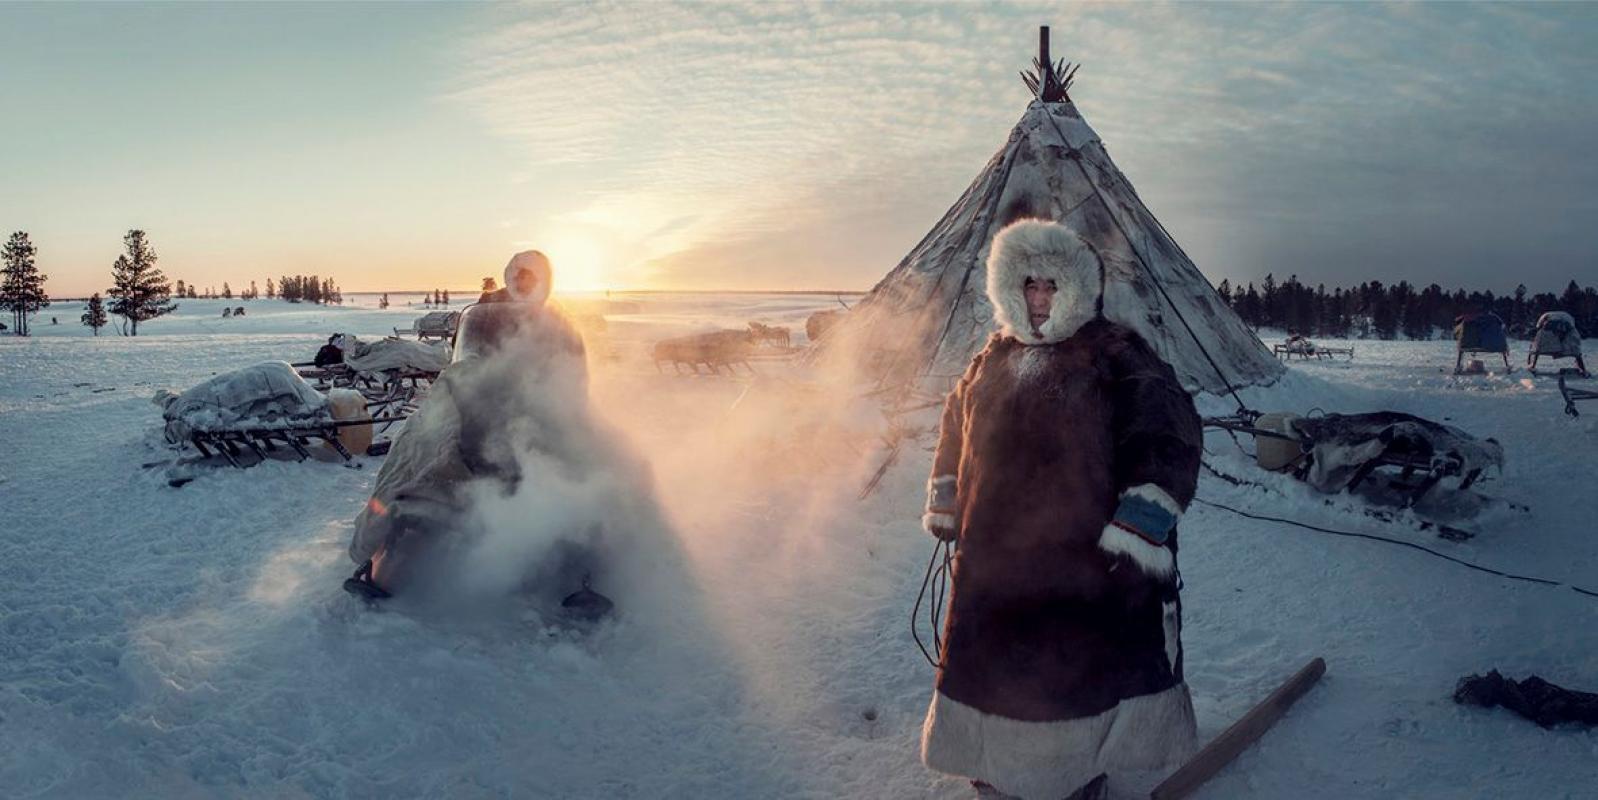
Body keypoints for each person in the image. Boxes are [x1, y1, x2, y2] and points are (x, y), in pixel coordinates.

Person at [919, 219, 1203, 800]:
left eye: (1051, 286)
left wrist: (1138, 527)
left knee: (1071, 677)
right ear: (1009, 290)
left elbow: (1167, 434)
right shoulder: (990, 359)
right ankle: (995, 769)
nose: (1040, 299)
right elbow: (954, 428)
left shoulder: (1115, 353)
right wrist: (946, 501)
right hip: (993, 558)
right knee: (994, 669)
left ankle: (1074, 778)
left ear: (1077, 288)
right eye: (1029, 287)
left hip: (1081, 560)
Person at [346, 251, 608, 618]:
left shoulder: (561, 322)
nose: (523, 283)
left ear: (546, 280)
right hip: (480, 401)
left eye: (532, 278)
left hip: (538, 407)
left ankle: (586, 572)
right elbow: (464, 354)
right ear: (508, 276)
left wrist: (564, 397)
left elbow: (574, 373)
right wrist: (466, 377)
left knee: (585, 462)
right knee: (418, 450)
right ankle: (381, 550)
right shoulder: (486, 310)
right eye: (518, 276)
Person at [478, 250, 551, 304]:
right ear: (515, 277)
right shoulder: (495, 297)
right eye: (522, 277)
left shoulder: (545, 304)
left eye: (532, 279)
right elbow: (476, 318)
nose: (527, 282)